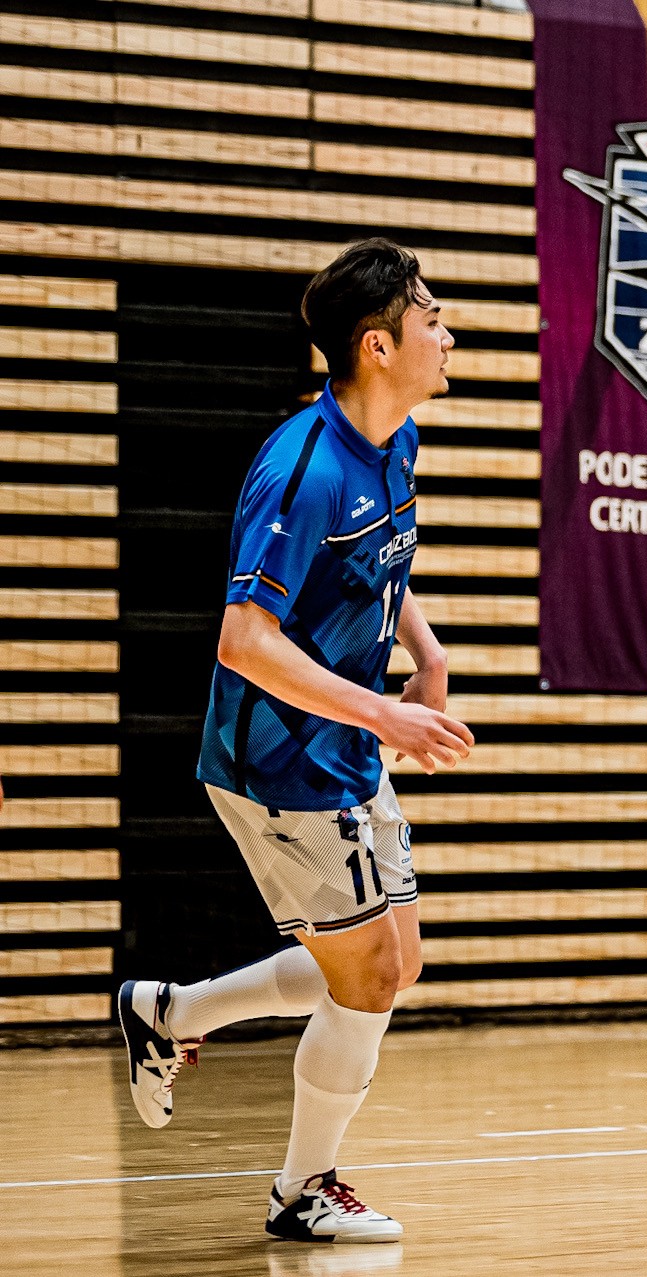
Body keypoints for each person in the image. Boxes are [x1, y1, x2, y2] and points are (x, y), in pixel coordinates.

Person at [115, 238, 474, 1244]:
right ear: (377, 345)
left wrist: (426, 652)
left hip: (343, 745)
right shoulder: (303, 469)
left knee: (393, 959)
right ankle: (302, 1189)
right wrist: (386, 713)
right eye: (432, 319)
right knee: (367, 974)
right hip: (278, 765)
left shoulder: (394, 437)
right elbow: (244, 639)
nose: (447, 335)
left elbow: (380, 562)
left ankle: (171, 1012)